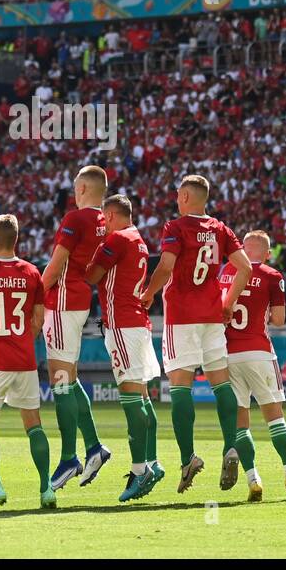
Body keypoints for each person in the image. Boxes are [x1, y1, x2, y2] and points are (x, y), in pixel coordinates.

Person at [140, 174, 252, 493]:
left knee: (179, 387)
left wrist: (149, 293)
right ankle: (230, 445)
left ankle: (188, 457)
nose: (177, 199)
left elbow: (166, 266)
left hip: (182, 316)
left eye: (179, 194)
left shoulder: (176, 228)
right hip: (212, 316)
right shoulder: (221, 230)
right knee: (221, 383)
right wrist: (228, 303)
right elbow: (244, 267)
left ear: (187, 197)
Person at [0, 213, 54, 512]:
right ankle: (46, 489)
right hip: (25, 359)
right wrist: (23, 341)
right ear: (16, 239)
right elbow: (39, 319)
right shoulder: (32, 273)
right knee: (33, 424)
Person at [83, 194, 163, 502]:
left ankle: (140, 470)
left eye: (105, 218)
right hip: (138, 324)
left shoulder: (117, 239)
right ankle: (153, 463)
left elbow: (92, 275)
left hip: (122, 325)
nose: (102, 224)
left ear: (113, 215)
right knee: (142, 396)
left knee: (130, 399)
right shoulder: (139, 239)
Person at [217, 231, 286, 502]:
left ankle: (253, 479)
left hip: (228, 355)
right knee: (275, 418)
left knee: (241, 424)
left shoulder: (225, 272)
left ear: (242, 249)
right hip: (259, 352)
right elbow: (278, 319)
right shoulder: (271, 275)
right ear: (267, 253)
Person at [40, 164, 110, 490]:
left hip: (63, 302)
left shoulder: (75, 218)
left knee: (60, 380)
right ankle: (94, 446)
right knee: (71, 376)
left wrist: (32, 299)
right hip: (82, 302)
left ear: (81, 189)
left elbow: (55, 266)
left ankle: (69, 458)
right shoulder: (104, 221)